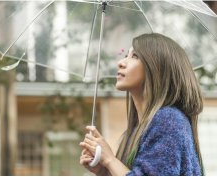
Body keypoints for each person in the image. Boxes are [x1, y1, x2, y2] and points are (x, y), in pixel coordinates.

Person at [79, 33, 204, 176]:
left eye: (135, 56)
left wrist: (109, 160)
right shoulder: (137, 131)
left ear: (157, 68)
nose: (121, 62)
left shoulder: (168, 120)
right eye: (126, 55)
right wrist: (104, 171)